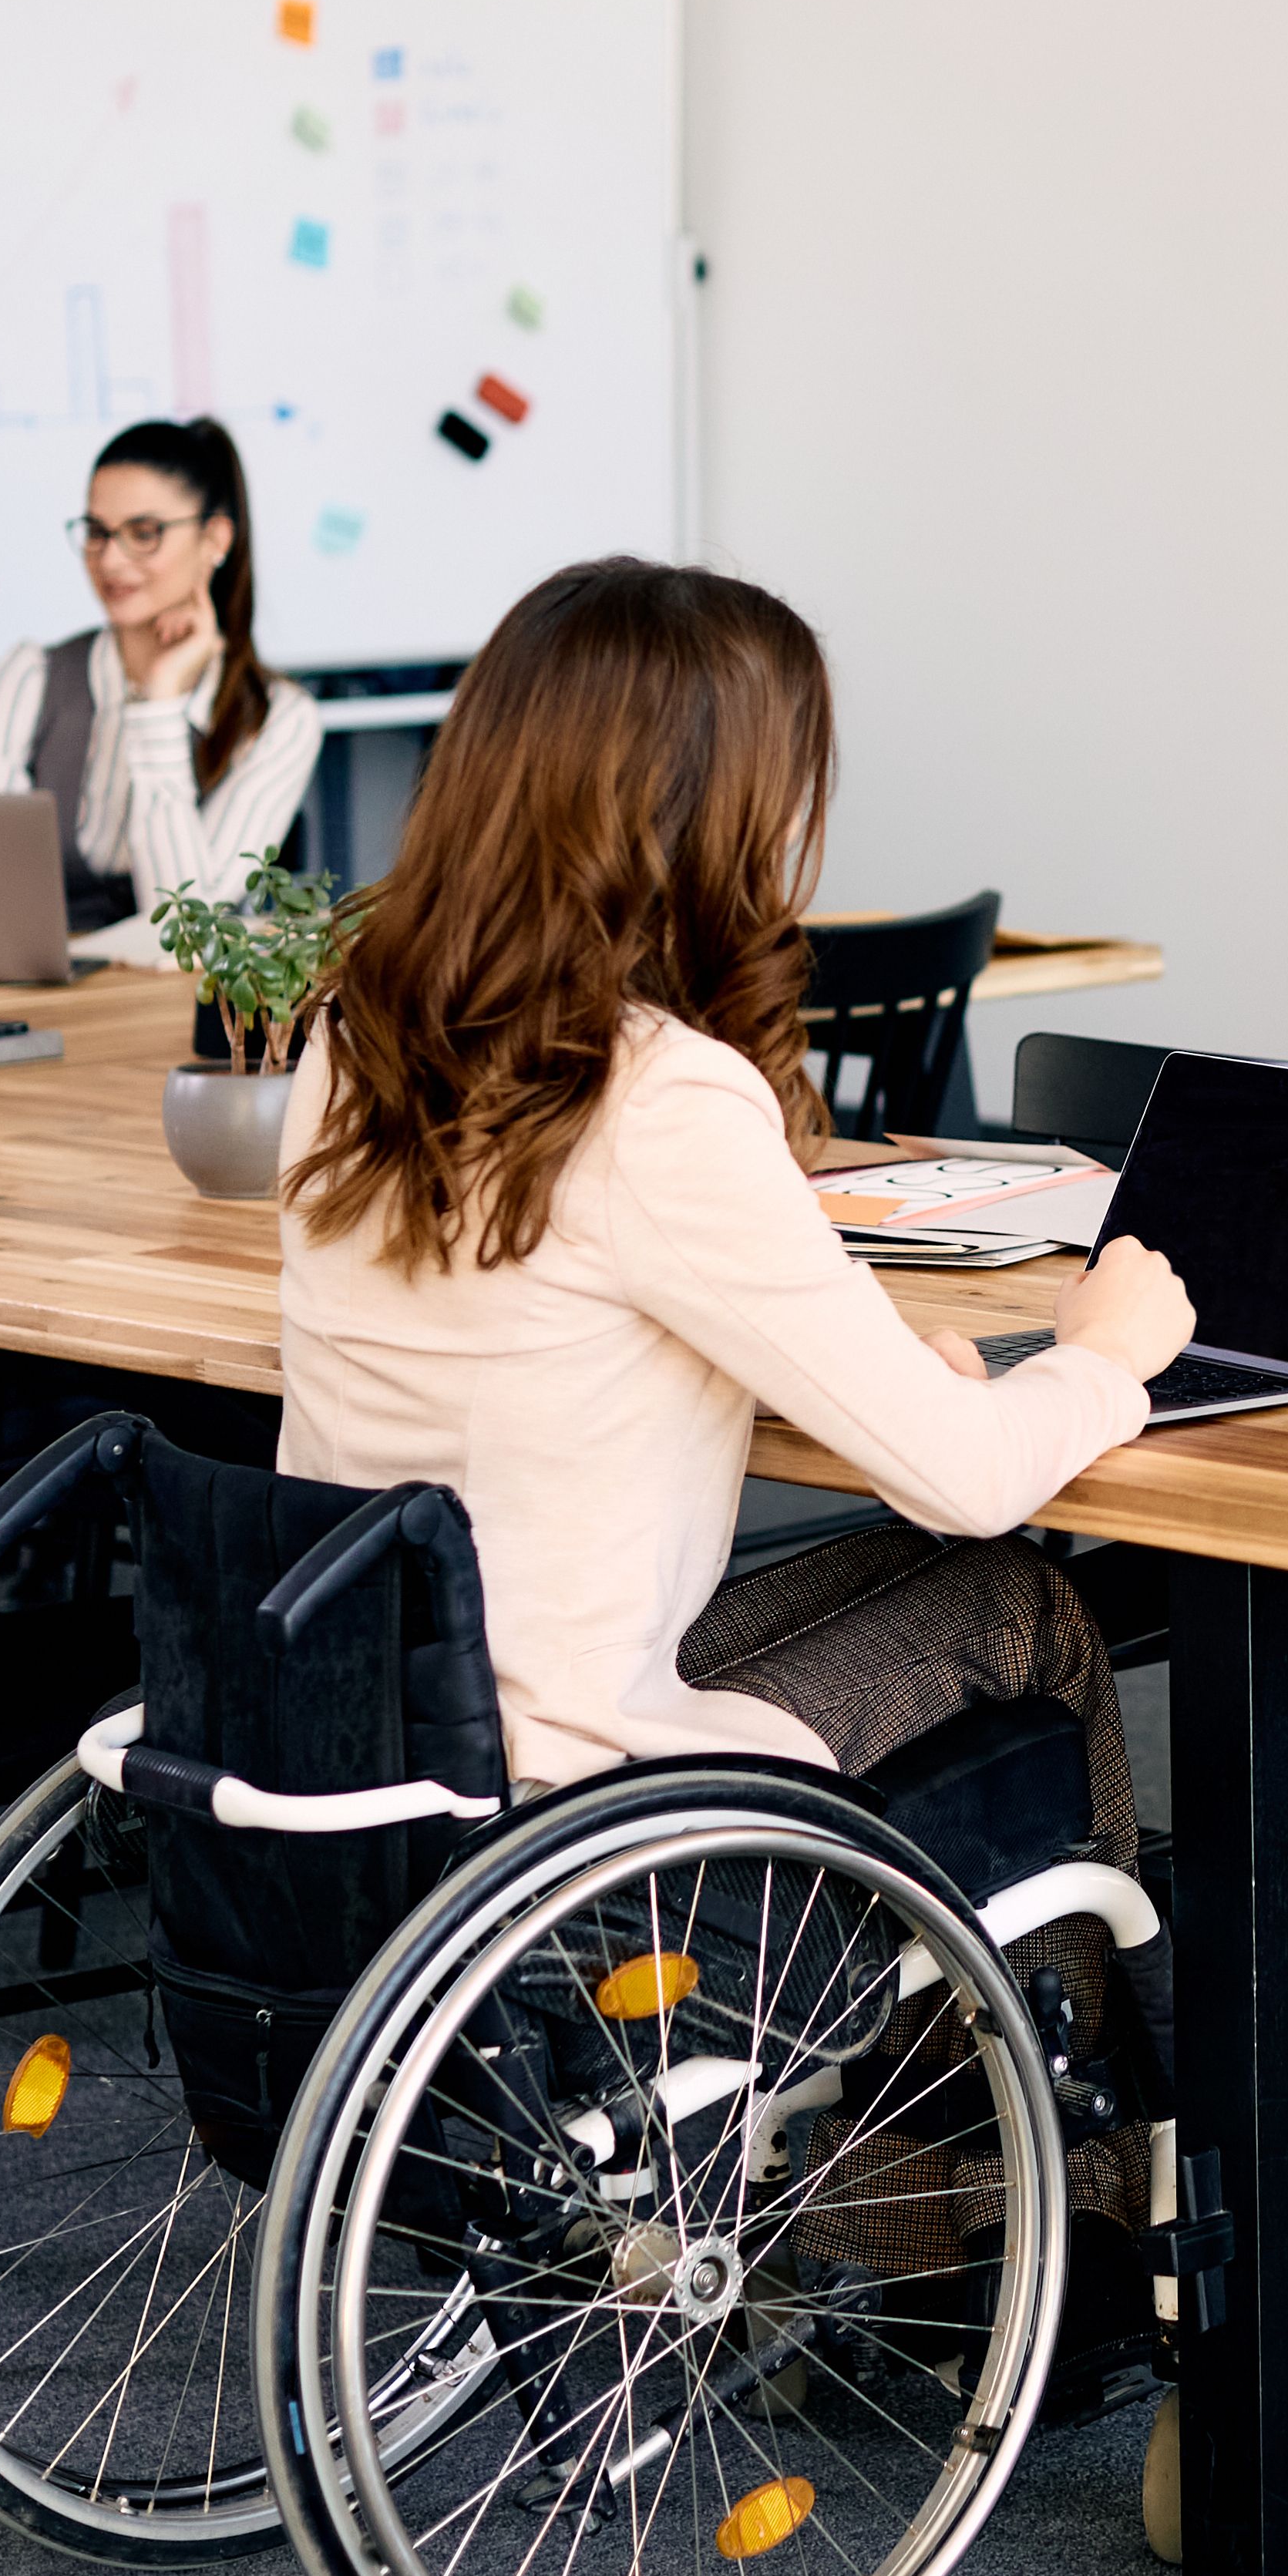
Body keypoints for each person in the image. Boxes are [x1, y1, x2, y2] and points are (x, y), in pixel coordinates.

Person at [275, 554, 1196, 1795]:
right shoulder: (655, 1093)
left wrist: (875, 1377)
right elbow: (968, 1480)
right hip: (561, 1774)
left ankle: (1016, 1991)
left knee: (912, 1579)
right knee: (1019, 1600)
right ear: (716, 808)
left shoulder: (355, 1030)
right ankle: (1078, 1995)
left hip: (375, 1727)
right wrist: (1101, 1354)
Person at [0, 416, 323, 954]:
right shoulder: (29, 678)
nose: (111, 560)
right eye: (98, 533)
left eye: (144, 534)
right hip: (28, 993)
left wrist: (160, 707)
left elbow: (194, 936)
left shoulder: (280, 718)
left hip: (174, 1007)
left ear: (214, 539)